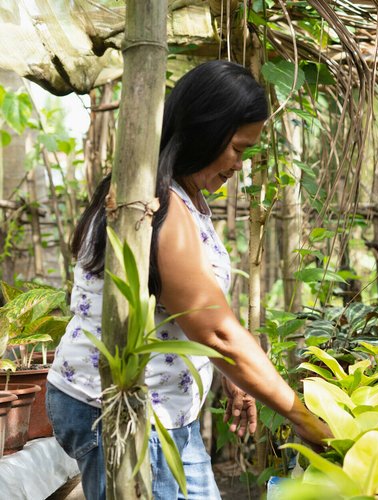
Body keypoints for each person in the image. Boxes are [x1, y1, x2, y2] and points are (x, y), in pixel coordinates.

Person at [46, 60, 330, 500]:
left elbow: (189, 307)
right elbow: (215, 330)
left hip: (160, 411)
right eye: (237, 148)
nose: (241, 164)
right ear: (204, 130)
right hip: (126, 414)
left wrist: (232, 377)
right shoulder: (158, 203)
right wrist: (303, 417)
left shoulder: (178, 192)